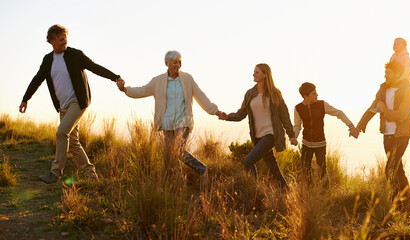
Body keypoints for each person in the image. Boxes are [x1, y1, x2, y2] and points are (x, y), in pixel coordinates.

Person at [19, 24, 122, 184]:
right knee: (73, 143)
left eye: (65, 38)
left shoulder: (75, 55)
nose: (64, 42)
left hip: (78, 102)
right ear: (52, 41)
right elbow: (37, 79)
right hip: (63, 106)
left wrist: (115, 77)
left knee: (61, 133)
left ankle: (55, 172)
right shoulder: (48, 60)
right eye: (61, 39)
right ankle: (91, 175)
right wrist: (25, 98)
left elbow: (94, 67)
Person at [116, 50, 221, 186]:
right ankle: (177, 183)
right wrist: (125, 89)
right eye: (174, 62)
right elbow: (141, 90)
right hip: (167, 123)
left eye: (179, 62)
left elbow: (201, 96)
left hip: (183, 122)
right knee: (170, 156)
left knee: (177, 150)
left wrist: (215, 111)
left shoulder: (187, 79)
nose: (177, 65)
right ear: (167, 63)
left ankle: (202, 169)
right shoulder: (158, 81)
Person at [219, 63, 297, 189]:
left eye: (257, 72)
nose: (253, 74)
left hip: (271, 134)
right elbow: (241, 113)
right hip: (258, 136)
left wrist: (291, 135)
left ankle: (254, 190)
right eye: (254, 72)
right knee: (272, 166)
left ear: (265, 75)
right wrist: (227, 116)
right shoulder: (249, 94)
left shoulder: (275, 94)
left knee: (248, 161)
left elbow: (284, 116)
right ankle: (286, 190)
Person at [355, 61, 410, 211]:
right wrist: (359, 126)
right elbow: (373, 108)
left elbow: (402, 115)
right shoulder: (383, 89)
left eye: (389, 73)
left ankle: (397, 204)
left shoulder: (408, 91)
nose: (385, 76)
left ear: (398, 74)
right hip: (387, 135)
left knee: (390, 169)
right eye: (385, 73)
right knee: (398, 169)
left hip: (401, 135)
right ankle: (408, 203)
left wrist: (385, 110)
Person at [294, 82, 358, 187]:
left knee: (322, 170)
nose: (317, 95)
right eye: (314, 93)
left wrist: (351, 126)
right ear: (306, 96)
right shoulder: (298, 108)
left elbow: (339, 113)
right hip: (306, 144)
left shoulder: (322, 105)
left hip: (320, 144)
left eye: (316, 92)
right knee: (305, 170)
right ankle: (308, 194)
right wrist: (294, 137)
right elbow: (297, 126)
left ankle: (325, 193)